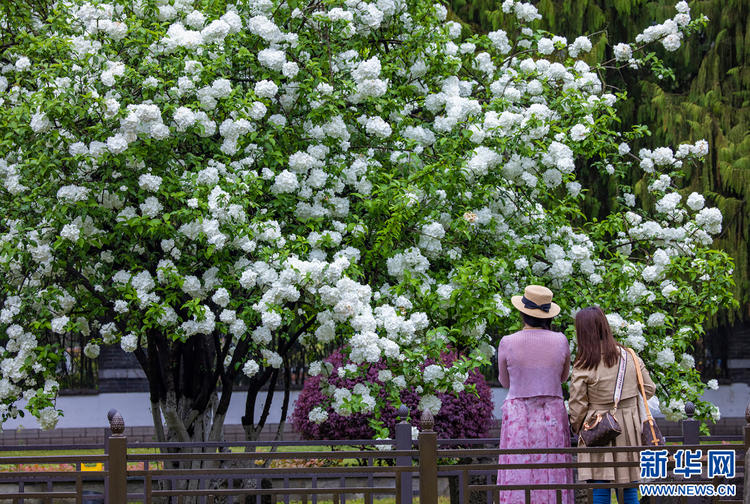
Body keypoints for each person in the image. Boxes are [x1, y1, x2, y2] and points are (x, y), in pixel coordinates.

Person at [569, 306, 656, 504]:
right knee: (629, 489)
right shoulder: (629, 356)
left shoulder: (584, 364)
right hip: (629, 429)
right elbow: (649, 389)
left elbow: (577, 406)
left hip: (598, 428)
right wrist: (629, 404)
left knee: (600, 486)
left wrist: (578, 427)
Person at [496, 285, 574, 504]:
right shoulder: (561, 340)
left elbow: (503, 381)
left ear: (523, 313)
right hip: (552, 413)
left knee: (519, 467)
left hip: (518, 414)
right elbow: (563, 377)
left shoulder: (508, 342)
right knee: (553, 467)